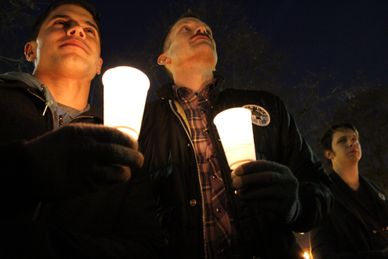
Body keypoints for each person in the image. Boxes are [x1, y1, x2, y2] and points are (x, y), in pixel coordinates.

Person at [138, 13, 333, 259]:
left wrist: (297, 205)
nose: (202, 30)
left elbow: (319, 185)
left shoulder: (266, 105)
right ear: (165, 58)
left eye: (207, 30)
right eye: (186, 29)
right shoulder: (144, 122)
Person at [0, 0, 163, 258]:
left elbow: (145, 246)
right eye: (61, 24)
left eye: (89, 31)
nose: (76, 31)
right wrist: (22, 167)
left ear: (99, 65)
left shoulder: (118, 142)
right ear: (31, 50)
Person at [311, 123, 388, 258]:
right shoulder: (322, 197)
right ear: (329, 153)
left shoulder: (376, 191)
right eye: (342, 140)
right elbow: (323, 255)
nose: (351, 144)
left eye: (354, 139)